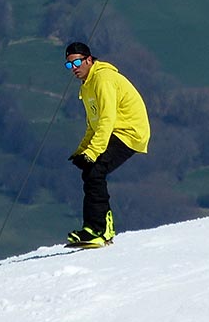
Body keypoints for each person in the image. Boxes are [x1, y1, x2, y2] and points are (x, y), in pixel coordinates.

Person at [63, 41, 150, 247]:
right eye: (69, 65)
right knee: (90, 172)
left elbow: (107, 119)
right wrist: (82, 150)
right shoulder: (87, 86)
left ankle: (101, 230)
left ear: (89, 60)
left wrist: (93, 152)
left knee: (95, 170)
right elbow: (92, 124)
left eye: (76, 62)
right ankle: (92, 228)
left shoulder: (103, 79)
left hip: (128, 131)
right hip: (115, 131)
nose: (74, 68)